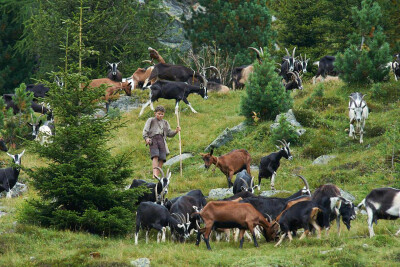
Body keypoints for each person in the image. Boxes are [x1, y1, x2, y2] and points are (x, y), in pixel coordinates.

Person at [143, 106, 181, 177]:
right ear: (155, 113)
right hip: (153, 139)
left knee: (162, 158)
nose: (160, 115)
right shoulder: (151, 120)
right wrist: (146, 138)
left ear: (164, 114)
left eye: (162, 114)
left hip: (162, 140)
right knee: (155, 156)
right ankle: (154, 174)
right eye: (159, 113)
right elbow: (145, 130)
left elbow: (169, 133)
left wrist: (176, 131)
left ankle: (157, 174)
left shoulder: (165, 123)